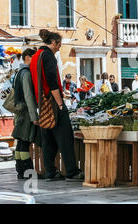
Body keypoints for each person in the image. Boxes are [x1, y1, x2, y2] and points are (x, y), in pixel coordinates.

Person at [29, 29, 84, 182]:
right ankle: (72, 171)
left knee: (48, 139)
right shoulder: (48, 56)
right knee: (65, 137)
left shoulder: (35, 57)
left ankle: (50, 172)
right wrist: (60, 103)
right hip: (52, 102)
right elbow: (52, 82)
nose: (59, 47)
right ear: (53, 42)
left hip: (42, 102)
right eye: (59, 44)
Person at [11, 48, 42, 180]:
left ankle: (20, 171)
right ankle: (29, 173)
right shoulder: (27, 73)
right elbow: (29, 96)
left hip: (20, 113)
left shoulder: (19, 72)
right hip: (26, 113)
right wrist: (34, 116)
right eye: (34, 58)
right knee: (24, 143)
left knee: (20, 143)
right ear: (28, 57)